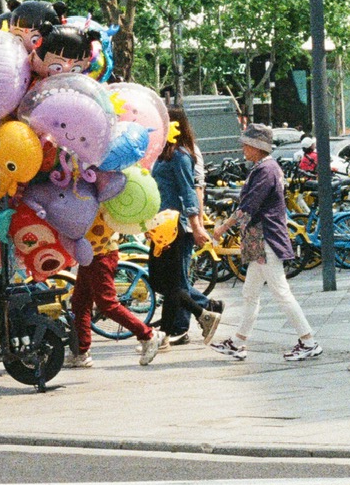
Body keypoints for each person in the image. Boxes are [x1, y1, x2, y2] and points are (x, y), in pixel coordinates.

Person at [210, 122, 318, 363]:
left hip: (266, 239)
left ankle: (308, 341)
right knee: (250, 293)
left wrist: (223, 228)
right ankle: (238, 342)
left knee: (281, 292)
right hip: (259, 241)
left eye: (246, 145)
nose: (243, 149)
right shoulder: (265, 168)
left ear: (257, 147)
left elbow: (248, 207)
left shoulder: (266, 170)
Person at [148, 104, 221, 356]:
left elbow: (189, 190)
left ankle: (167, 334)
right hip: (160, 227)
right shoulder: (163, 154)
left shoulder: (179, 155)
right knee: (161, 281)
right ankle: (204, 311)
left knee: (172, 283)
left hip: (175, 227)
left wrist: (196, 225)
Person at [69, 213, 154, 369]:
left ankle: (148, 335)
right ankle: (81, 351)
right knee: (80, 302)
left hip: (102, 251)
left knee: (106, 303)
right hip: (89, 251)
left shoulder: (98, 198)